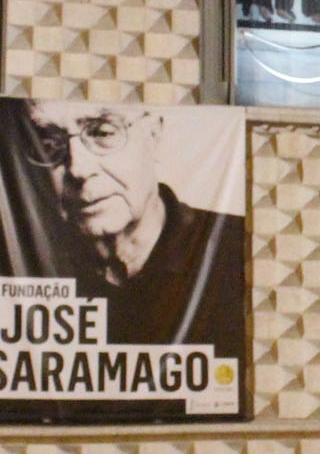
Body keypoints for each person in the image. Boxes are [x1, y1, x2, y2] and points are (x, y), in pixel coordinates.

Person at [18, 101, 245, 352]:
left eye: (102, 132)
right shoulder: (22, 258)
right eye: (49, 145)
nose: (79, 169)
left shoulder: (238, 251)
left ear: (153, 135)